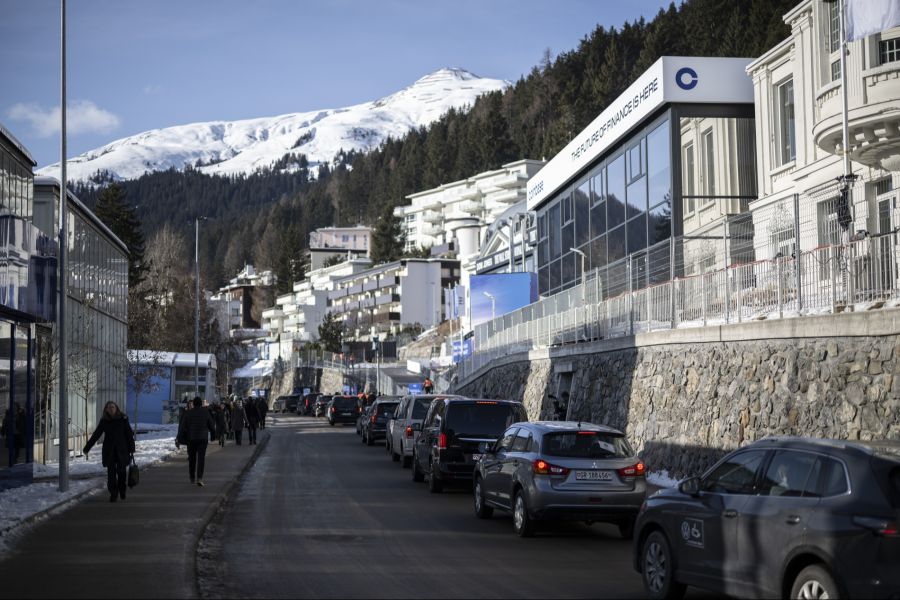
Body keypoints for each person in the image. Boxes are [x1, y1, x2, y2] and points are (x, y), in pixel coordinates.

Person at [83, 401, 135, 503]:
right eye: (109, 407)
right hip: (109, 451)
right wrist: (87, 448)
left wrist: (132, 448)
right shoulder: (104, 421)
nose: (111, 409)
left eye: (113, 407)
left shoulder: (123, 419)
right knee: (111, 474)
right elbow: (96, 435)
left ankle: (122, 490)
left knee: (122, 472)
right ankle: (113, 493)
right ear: (106, 409)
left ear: (116, 408)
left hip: (122, 450)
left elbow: (129, 434)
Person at [177, 396, 216, 486]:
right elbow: (211, 425)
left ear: (193, 404)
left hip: (191, 439)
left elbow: (182, 427)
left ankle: (191, 477)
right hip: (203, 439)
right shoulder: (205, 412)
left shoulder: (188, 413)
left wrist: (179, 438)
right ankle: (199, 478)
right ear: (201, 404)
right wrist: (213, 435)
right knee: (201, 458)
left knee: (192, 458)